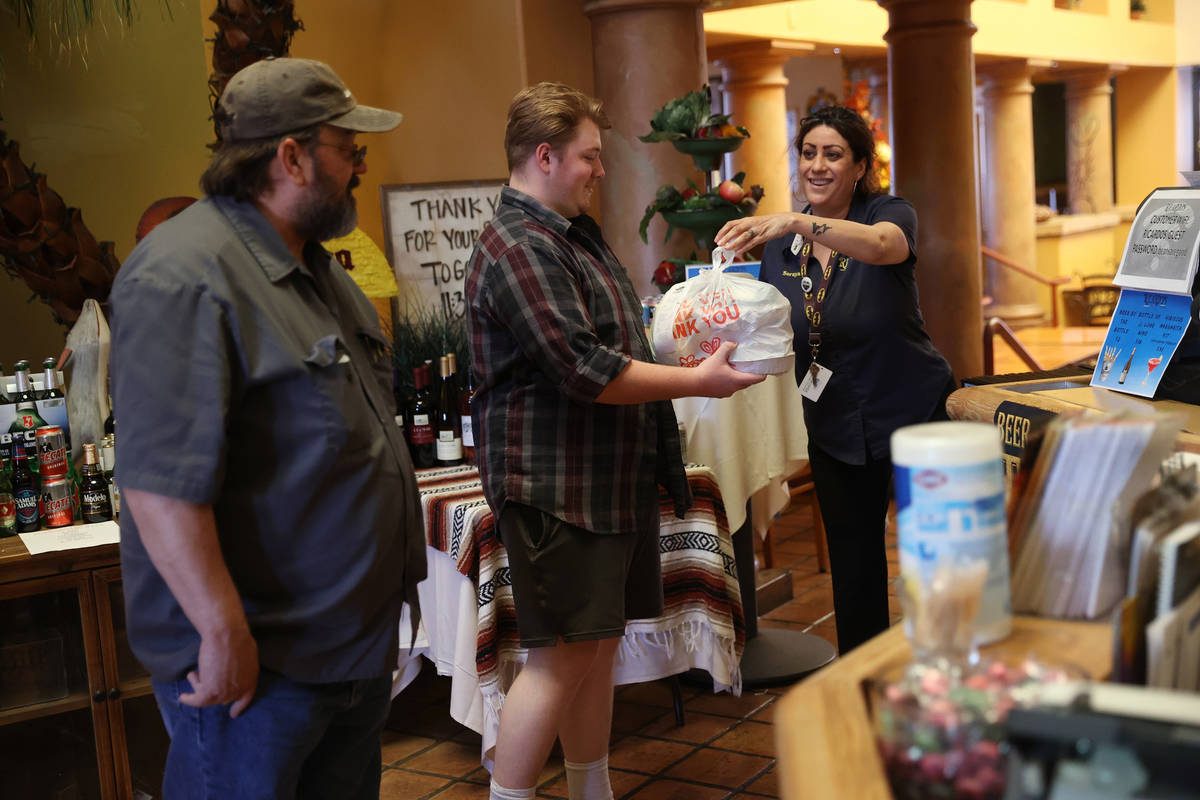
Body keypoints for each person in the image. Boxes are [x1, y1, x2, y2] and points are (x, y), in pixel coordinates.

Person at [108, 57, 426, 800]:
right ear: (291, 157)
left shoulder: (324, 273)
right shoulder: (182, 275)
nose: (359, 168)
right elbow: (159, 486)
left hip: (346, 651)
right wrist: (222, 633)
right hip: (258, 674)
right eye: (350, 150)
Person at [465, 82, 763, 800]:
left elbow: (616, 334)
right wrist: (695, 384)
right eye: (589, 156)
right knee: (559, 661)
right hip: (553, 488)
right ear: (544, 156)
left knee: (595, 651)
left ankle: (591, 790)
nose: (601, 170)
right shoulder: (519, 244)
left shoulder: (570, 232)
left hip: (599, 481)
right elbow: (582, 367)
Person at [715, 104, 955, 654]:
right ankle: (863, 687)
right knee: (854, 571)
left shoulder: (887, 214)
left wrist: (798, 219)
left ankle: (949, 672)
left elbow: (882, 248)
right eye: (808, 152)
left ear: (859, 166)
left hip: (914, 412)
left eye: (833, 154)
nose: (817, 166)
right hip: (834, 424)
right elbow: (775, 326)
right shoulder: (781, 247)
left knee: (938, 558)